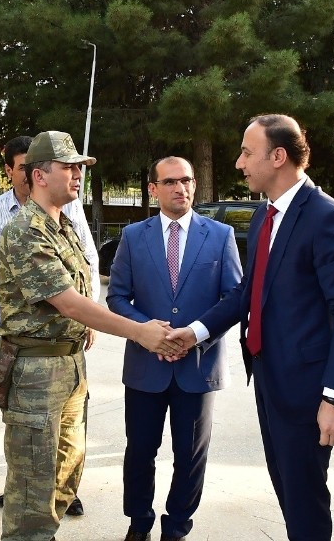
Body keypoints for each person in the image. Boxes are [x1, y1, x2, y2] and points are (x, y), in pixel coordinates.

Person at [164, 114, 334, 541]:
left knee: (305, 498)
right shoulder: (264, 217)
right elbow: (247, 293)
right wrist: (197, 332)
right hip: (269, 377)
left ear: (278, 156)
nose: (239, 163)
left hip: (308, 387)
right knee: (288, 490)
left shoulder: (326, 217)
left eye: (246, 152)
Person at [0, 130, 180, 541]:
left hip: (69, 366)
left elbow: (83, 292)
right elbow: (68, 302)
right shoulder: (27, 228)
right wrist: (140, 333)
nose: (79, 175)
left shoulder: (63, 227)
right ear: (39, 175)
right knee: (31, 493)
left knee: (64, 475)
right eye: (69, 167)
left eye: (81, 168)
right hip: (36, 371)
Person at [0, 134, 98, 517]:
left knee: (64, 441)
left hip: (67, 344)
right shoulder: (2, 216)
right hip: (23, 333)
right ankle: (26, 487)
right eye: (20, 167)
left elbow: (88, 259)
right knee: (30, 433)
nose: (75, 176)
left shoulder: (66, 212)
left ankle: (51, 491)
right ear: (20, 171)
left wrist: (90, 313)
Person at [107, 156, 242, 541]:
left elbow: (233, 297)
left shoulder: (220, 235)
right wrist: (148, 332)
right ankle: (139, 522)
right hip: (145, 367)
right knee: (140, 452)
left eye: (186, 181)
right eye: (169, 182)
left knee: (190, 456)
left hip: (198, 367)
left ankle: (178, 526)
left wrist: (196, 334)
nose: (179, 188)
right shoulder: (134, 236)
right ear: (153, 189)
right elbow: (118, 296)